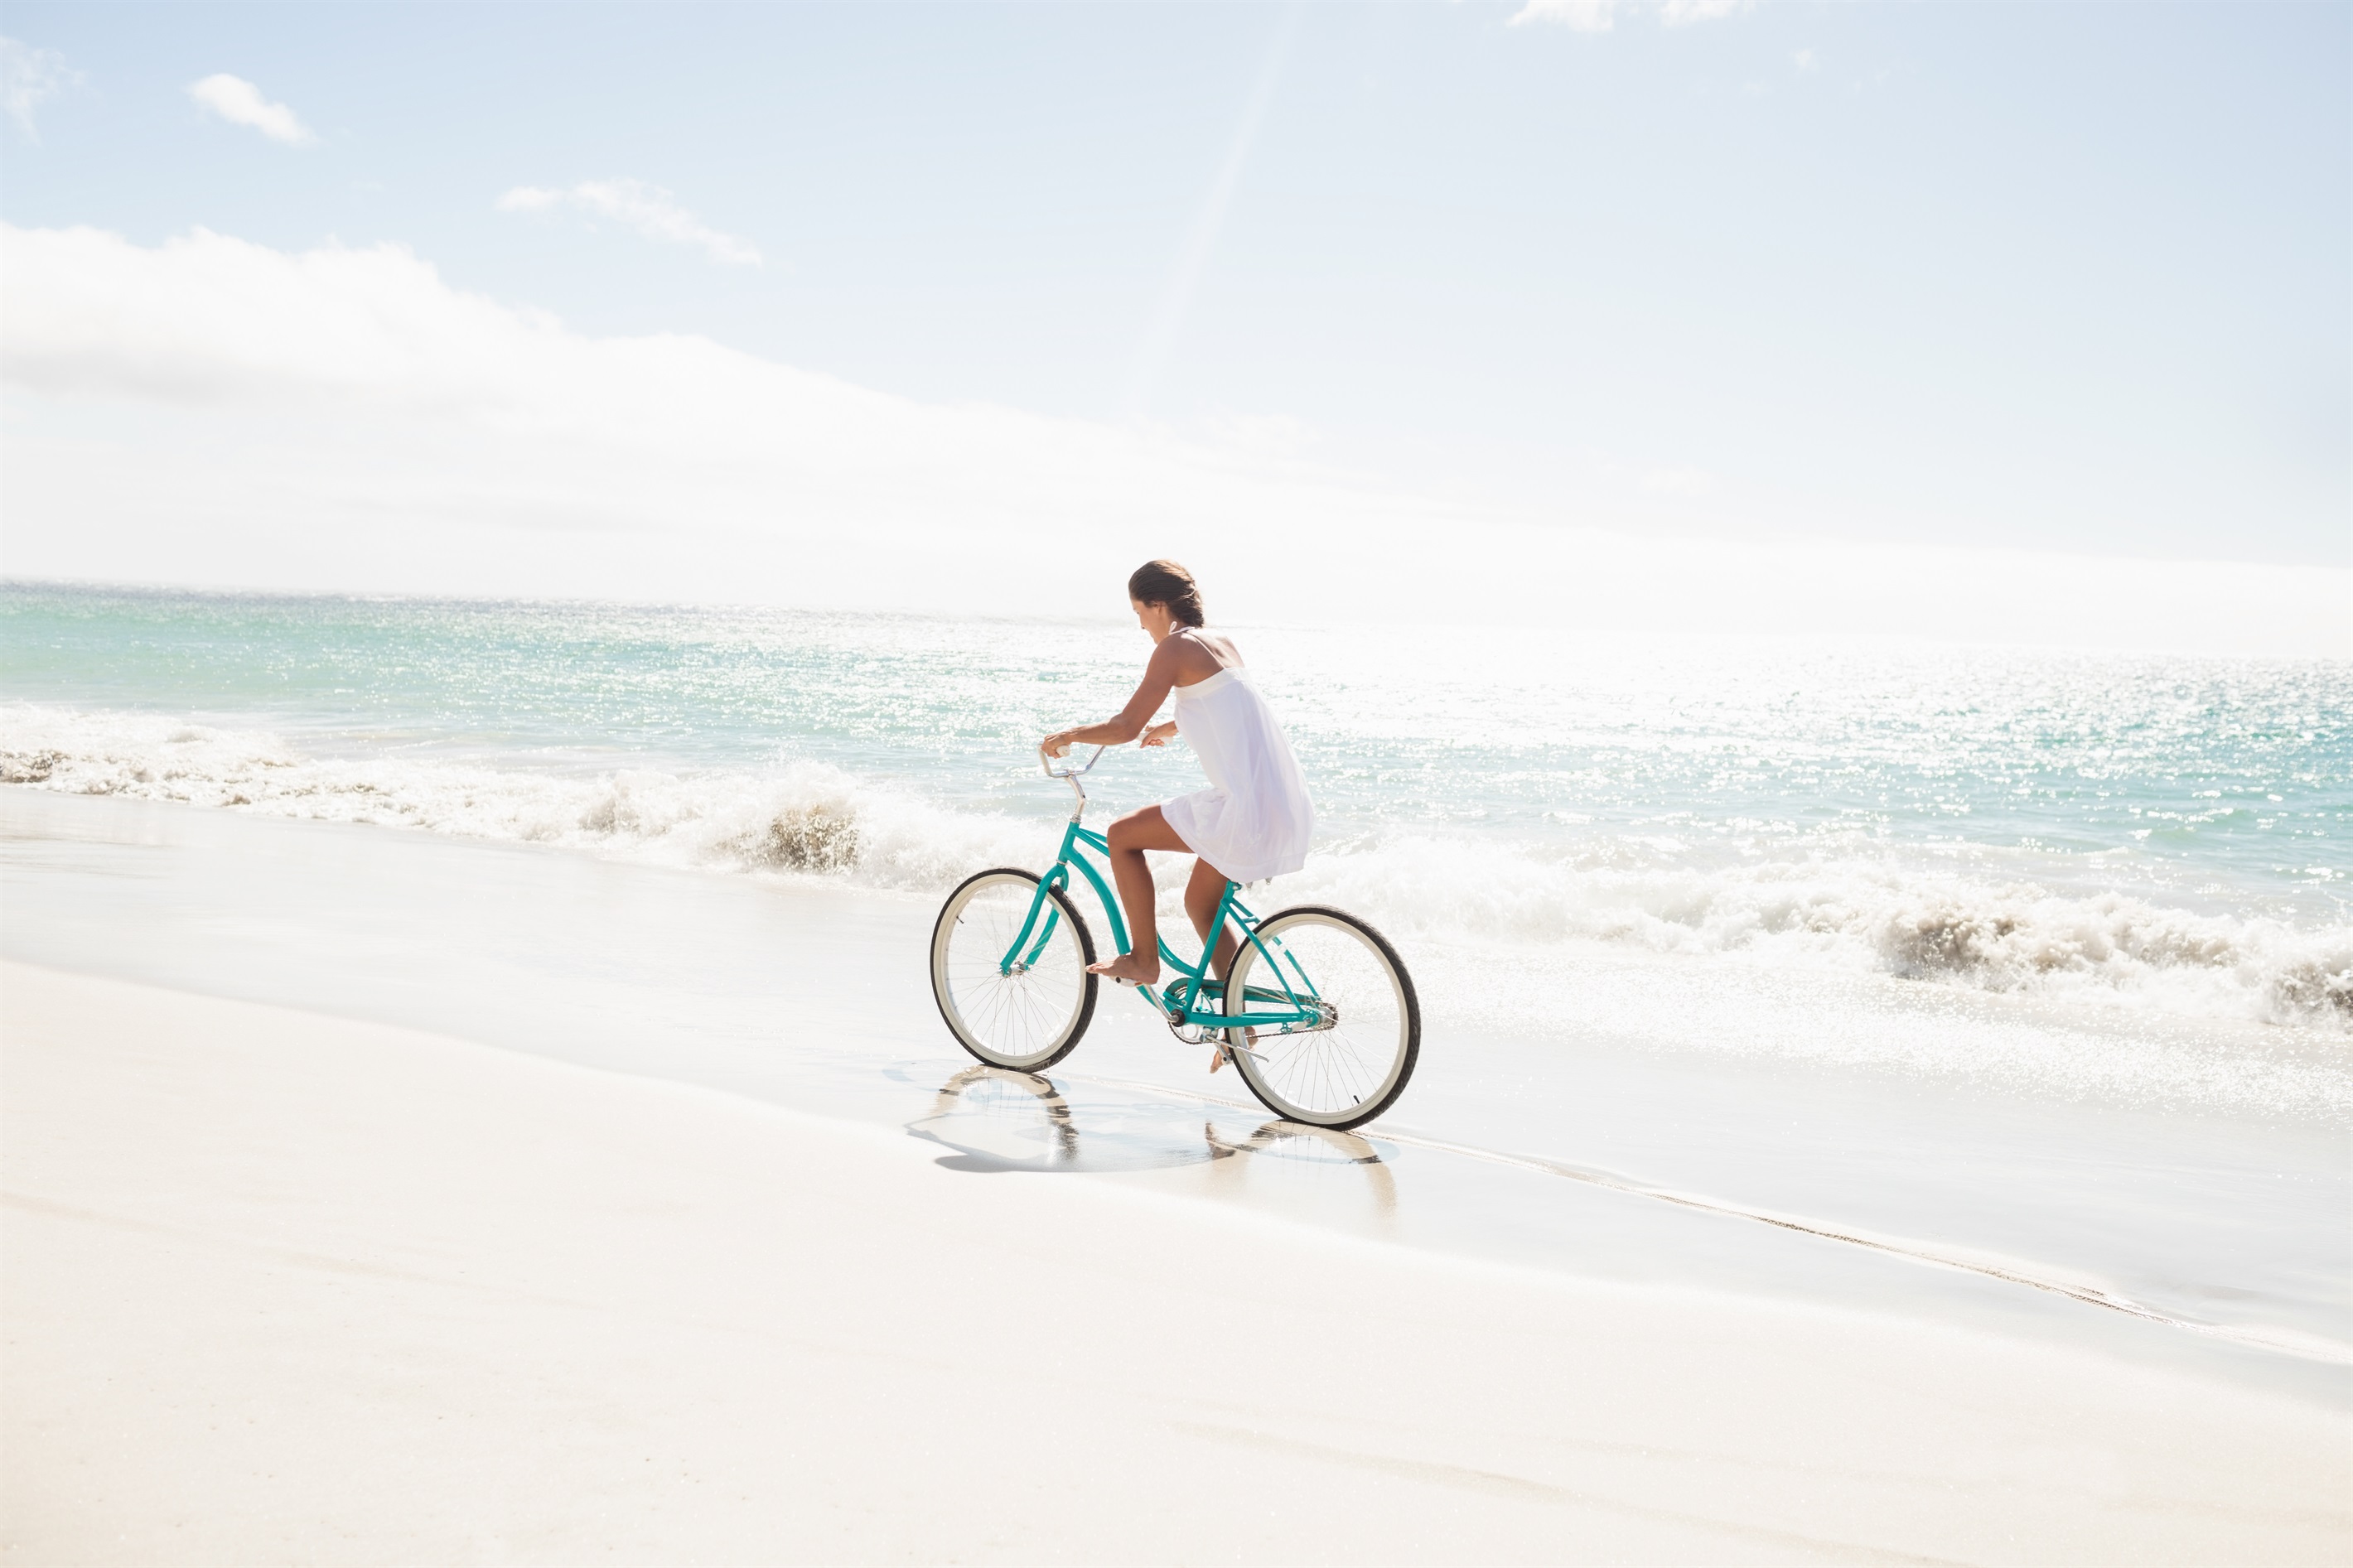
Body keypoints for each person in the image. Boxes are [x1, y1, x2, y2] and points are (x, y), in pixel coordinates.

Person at [1040, 560, 1314, 1038]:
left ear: (1158, 605)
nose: (1140, 625)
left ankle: (1143, 959)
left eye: (1139, 612)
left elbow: (1124, 727)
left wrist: (1068, 735)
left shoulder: (1175, 647)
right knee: (1200, 905)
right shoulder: (1218, 642)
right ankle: (1237, 1024)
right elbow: (1227, 706)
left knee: (1121, 835)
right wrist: (1171, 725)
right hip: (1280, 802)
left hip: (1243, 808)